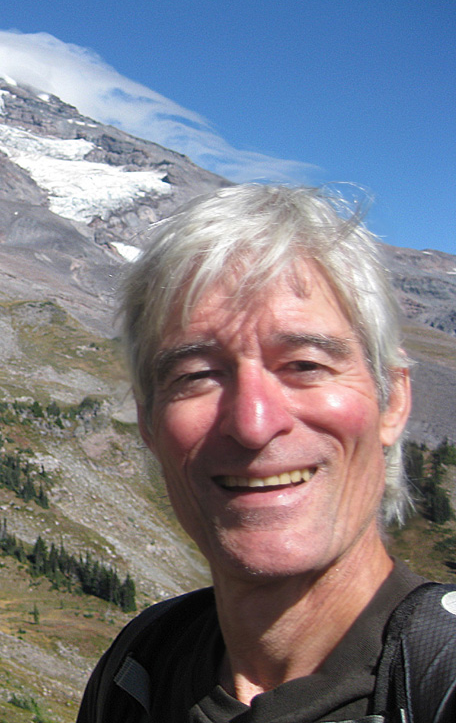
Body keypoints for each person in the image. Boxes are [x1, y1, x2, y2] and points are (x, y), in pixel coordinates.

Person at [77, 184, 456, 722]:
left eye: (305, 365)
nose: (254, 425)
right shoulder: (138, 669)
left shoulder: (440, 682)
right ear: (148, 422)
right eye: (197, 375)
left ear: (392, 400)